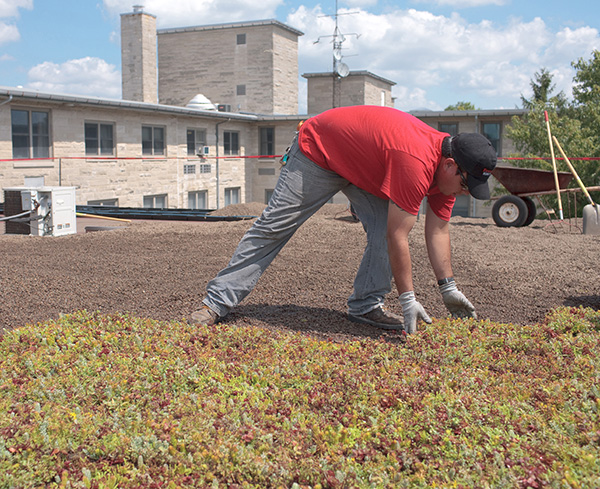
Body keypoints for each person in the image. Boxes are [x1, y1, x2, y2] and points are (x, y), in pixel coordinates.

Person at [192, 105, 496, 333]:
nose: (466, 193)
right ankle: (216, 302)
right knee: (275, 225)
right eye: (467, 185)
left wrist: (448, 288)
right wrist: (407, 299)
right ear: (451, 165)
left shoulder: (449, 174)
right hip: (319, 151)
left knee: (381, 229)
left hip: (363, 164)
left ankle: (365, 306)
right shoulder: (416, 163)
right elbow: (398, 237)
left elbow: (439, 230)